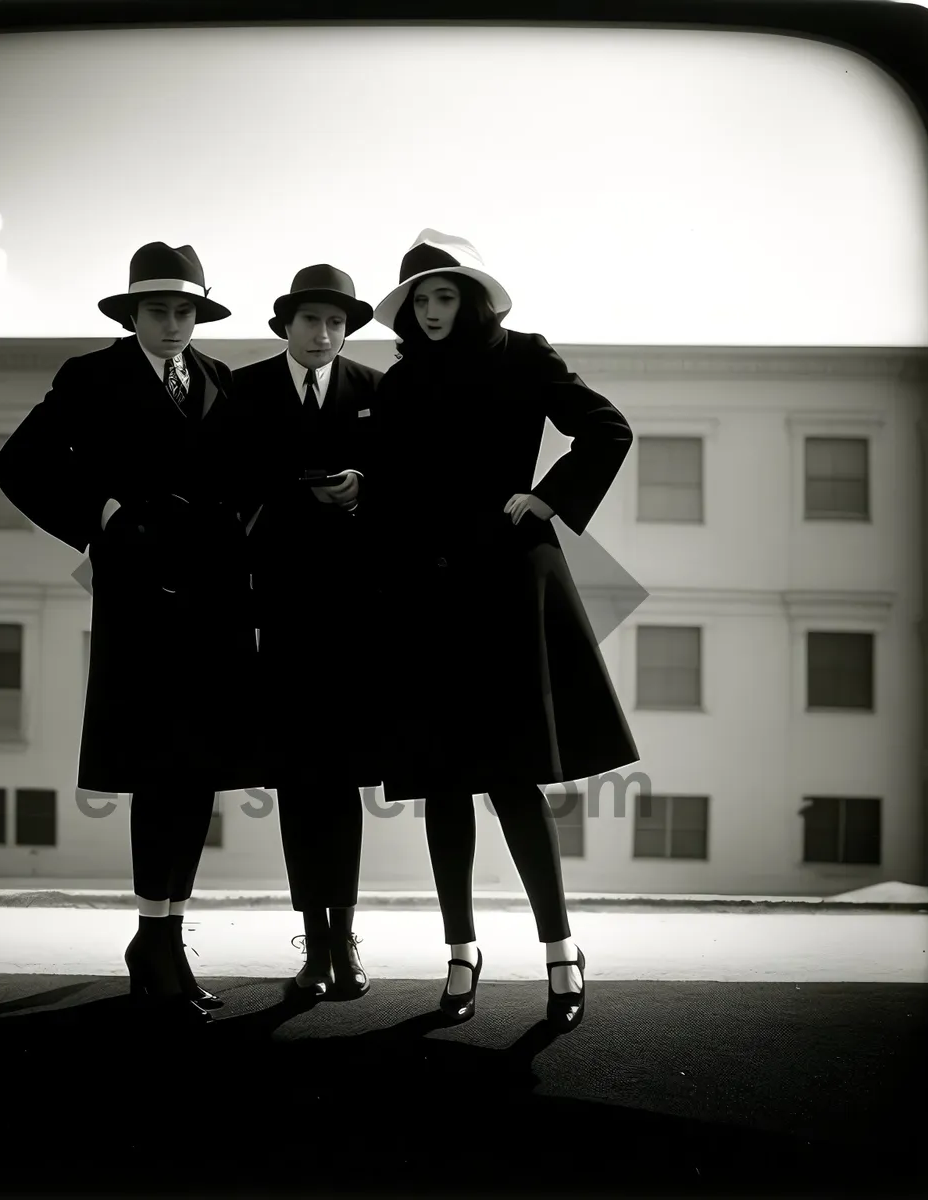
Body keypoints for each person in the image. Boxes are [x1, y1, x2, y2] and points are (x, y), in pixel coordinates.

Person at [368, 229, 639, 1030]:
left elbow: (606, 428)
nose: (432, 311)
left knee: (512, 778)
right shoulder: (400, 382)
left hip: (505, 586)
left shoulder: (525, 356)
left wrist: (547, 497)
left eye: (445, 296)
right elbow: (388, 485)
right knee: (442, 786)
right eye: (420, 300)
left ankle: (560, 952)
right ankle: (461, 953)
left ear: (473, 299)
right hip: (424, 595)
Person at [0, 241, 265, 1030]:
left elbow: (242, 477)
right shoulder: (92, 378)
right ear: (131, 313)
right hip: (143, 600)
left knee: (199, 773)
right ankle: (152, 941)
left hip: (214, 602)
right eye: (159, 311)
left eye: (186, 311)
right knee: (158, 766)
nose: (174, 324)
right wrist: (101, 517)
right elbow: (18, 465)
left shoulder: (218, 380)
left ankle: (168, 942)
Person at [232, 265, 383, 1000]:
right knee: (299, 781)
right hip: (282, 613)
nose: (322, 335)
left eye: (335, 323)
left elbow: (402, 485)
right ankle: (315, 945)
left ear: (346, 329)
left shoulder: (376, 391)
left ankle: (346, 936)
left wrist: (361, 491)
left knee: (343, 779)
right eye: (309, 321)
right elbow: (228, 488)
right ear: (284, 325)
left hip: (353, 619)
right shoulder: (245, 390)